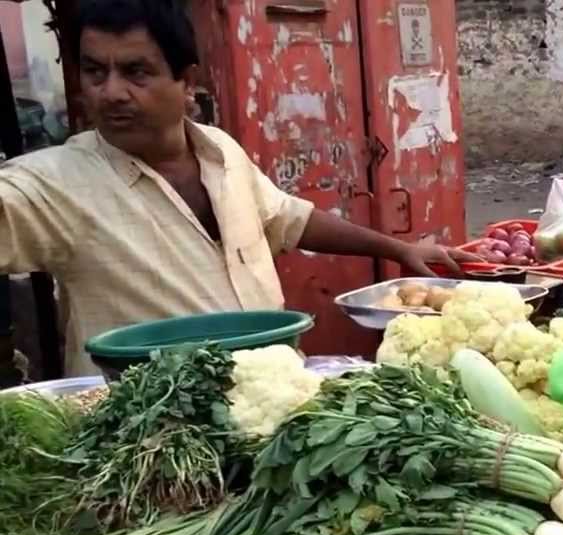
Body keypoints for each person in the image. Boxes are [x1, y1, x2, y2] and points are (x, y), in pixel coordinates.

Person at [0, 0, 475, 376]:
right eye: (94, 72)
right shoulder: (55, 182)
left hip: (268, 413)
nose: (111, 92)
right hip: (153, 449)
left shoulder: (220, 151)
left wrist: (397, 248)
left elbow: (289, 218)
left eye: (136, 72)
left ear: (187, 82)